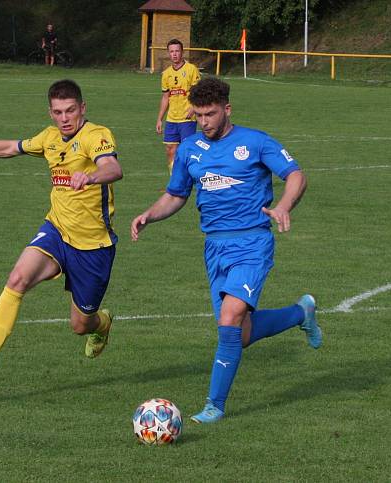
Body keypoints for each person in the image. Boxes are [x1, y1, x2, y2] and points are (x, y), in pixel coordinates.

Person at [131, 77, 322, 424]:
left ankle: (214, 406)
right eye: (198, 115)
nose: (203, 122)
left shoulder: (255, 142)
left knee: (231, 317)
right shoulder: (189, 148)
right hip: (214, 247)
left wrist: (284, 206)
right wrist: (150, 214)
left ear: (227, 110)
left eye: (210, 114)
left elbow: (296, 175)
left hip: (252, 242)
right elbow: (176, 195)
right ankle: (300, 314)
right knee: (240, 333)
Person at [0, 79, 123, 384]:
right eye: (58, 112)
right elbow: (9, 148)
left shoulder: (96, 135)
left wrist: (90, 176)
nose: (64, 118)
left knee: (80, 324)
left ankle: (101, 324)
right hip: (57, 230)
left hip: (92, 246)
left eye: (70, 110)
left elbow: (113, 168)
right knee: (17, 278)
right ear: (50, 113)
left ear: (82, 108)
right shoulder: (48, 138)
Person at [156, 39, 200, 174]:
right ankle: (174, 180)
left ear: (182, 52)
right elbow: (165, 97)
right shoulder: (166, 74)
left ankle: (189, 177)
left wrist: (193, 107)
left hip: (187, 117)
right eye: (171, 51)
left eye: (177, 51)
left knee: (186, 150)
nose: (174, 54)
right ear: (168, 53)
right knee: (170, 149)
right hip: (171, 118)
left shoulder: (191, 69)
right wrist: (159, 119)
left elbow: (198, 92)